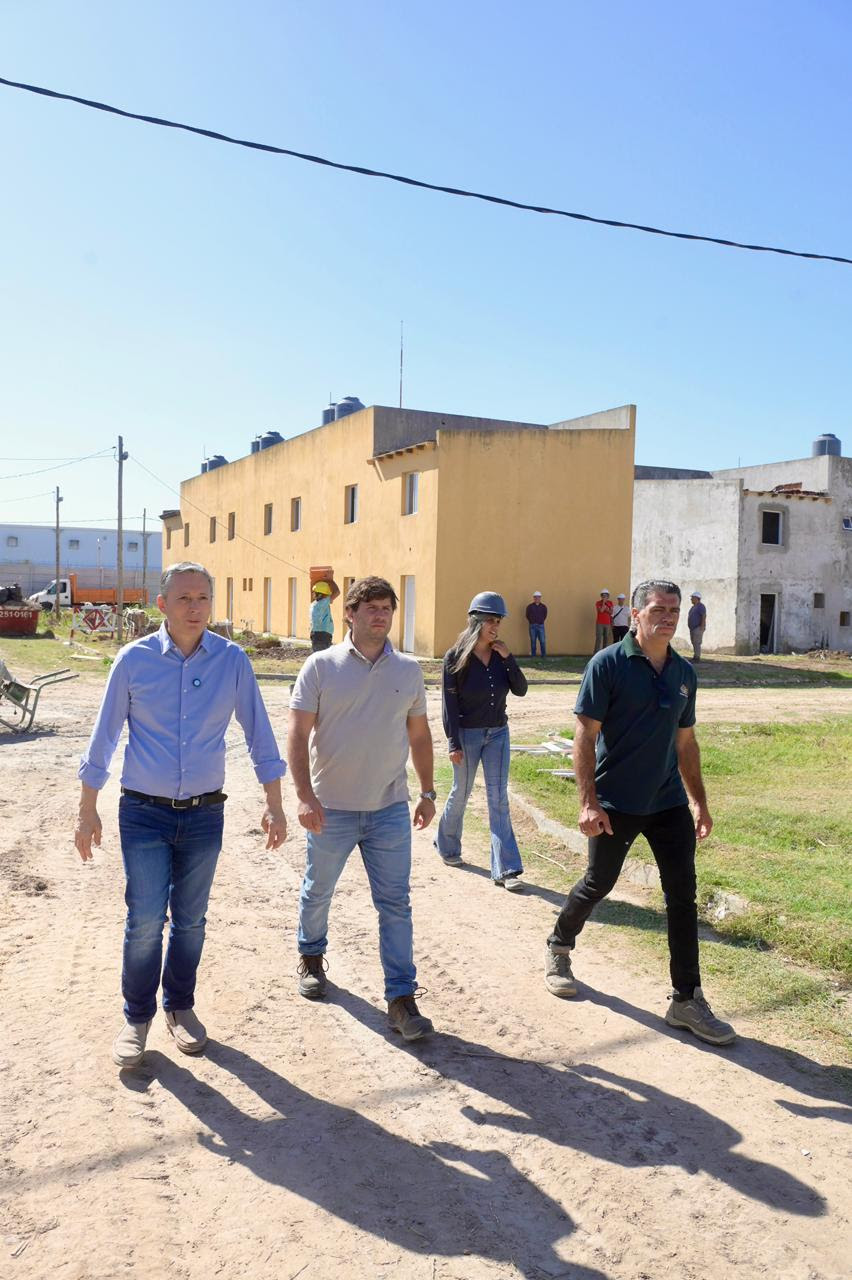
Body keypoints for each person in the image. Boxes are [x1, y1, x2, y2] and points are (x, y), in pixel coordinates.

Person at [75, 562, 287, 1068]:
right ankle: (136, 1017)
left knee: (191, 921)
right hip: (143, 813)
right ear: (162, 605)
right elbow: (103, 739)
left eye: (203, 598)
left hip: (203, 815)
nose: (195, 608)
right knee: (145, 920)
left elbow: (260, 733)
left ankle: (180, 1006)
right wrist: (87, 810)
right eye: (185, 598)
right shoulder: (133, 661)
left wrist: (274, 802)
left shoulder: (232, 661)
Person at [544, 578, 735, 1047]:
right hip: (616, 802)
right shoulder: (607, 664)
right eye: (657, 609)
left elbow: (685, 742)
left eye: (673, 609)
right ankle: (559, 945)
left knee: (682, 897)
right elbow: (585, 735)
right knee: (598, 883)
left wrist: (699, 801)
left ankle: (686, 999)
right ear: (635, 615)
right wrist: (587, 802)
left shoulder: (684, 673)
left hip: (667, 801)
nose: (667, 617)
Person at [288, 575, 437, 1041]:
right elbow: (298, 733)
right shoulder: (321, 666)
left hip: (389, 807)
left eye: (386, 608)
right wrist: (303, 795)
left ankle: (401, 999)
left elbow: (419, 734)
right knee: (318, 891)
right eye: (370, 607)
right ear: (349, 614)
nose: (380, 615)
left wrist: (428, 792)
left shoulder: (408, 671)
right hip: (330, 806)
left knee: (395, 904)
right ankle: (311, 955)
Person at [434, 591, 528, 891]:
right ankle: (448, 846)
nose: (495, 626)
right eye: (490, 620)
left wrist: (508, 658)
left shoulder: (501, 656)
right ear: (475, 620)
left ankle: (506, 869)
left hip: (498, 733)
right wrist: (453, 742)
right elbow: (449, 706)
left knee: (498, 797)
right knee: (460, 792)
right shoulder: (455, 657)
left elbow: (521, 689)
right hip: (467, 734)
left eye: (498, 620)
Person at [309, 577, 340, 651]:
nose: (328, 596)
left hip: (315, 634)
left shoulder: (313, 604)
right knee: (323, 657)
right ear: (320, 595)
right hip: (323, 635)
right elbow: (337, 592)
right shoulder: (322, 603)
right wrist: (330, 580)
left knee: (318, 656)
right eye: (327, 594)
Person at [525, 590, 548, 657]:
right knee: (533, 642)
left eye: (538, 597)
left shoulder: (543, 607)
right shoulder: (530, 607)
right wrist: (531, 621)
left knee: (542, 641)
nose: (537, 598)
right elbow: (527, 615)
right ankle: (533, 656)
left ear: (540, 598)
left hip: (541, 626)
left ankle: (543, 656)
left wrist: (541, 621)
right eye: (535, 597)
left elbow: (545, 615)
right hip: (532, 626)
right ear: (533, 598)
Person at [688, 591, 707, 662]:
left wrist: (702, 626)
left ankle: (697, 658)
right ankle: (695, 656)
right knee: (694, 642)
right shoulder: (693, 607)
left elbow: (703, 616)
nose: (691, 599)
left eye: (692, 598)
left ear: (697, 598)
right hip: (692, 628)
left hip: (698, 627)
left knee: (697, 642)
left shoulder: (701, 606)